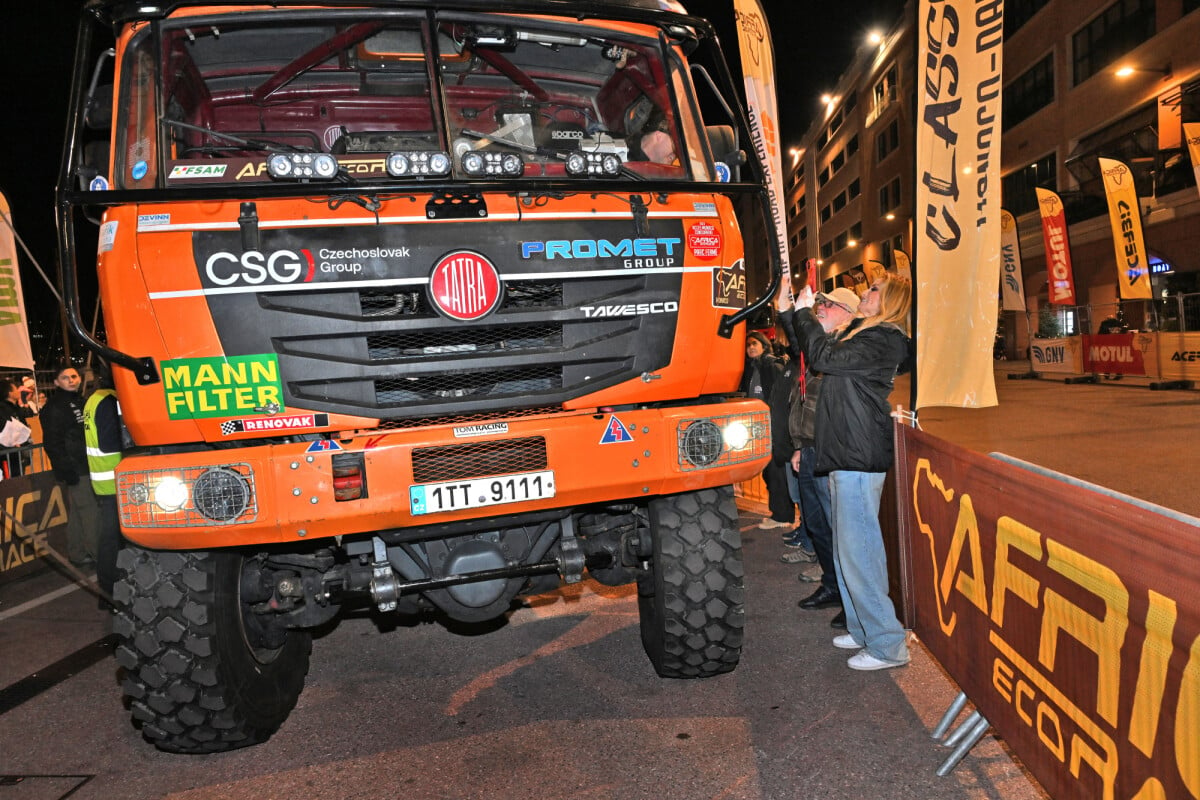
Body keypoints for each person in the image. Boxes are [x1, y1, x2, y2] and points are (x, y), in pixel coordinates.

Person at [785, 273, 913, 671]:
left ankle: (888, 644)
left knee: (859, 554)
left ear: (889, 300)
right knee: (846, 552)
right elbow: (812, 349)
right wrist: (796, 315)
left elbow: (824, 358)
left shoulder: (886, 337)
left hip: (857, 456)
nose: (865, 293)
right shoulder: (863, 332)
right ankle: (863, 631)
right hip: (843, 453)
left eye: (873, 290)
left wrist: (805, 314)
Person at [777, 287, 862, 632]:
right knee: (818, 525)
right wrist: (799, 445)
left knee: (839, 529)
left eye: (828, 305)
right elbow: (802, 351)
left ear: (848, 314)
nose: (821, 308)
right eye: (820, 303)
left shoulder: (846, 346)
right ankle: (832, 584)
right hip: (810, 448)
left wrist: (794, 316)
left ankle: (850, 597)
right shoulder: (822, 345)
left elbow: (809, 350)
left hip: (831, 449)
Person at [40, 364, 101, 567]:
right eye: (65, 377)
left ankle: (76, 553)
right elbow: (53, 442)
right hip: (76, 467)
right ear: (56, 382)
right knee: (90, 511)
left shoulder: (80, 401)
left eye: (74, 376)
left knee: (78, 511)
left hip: (87, 464)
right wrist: (67, 469)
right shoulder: (54, 408)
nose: (71, 380)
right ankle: (99, 555)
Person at [742, 331, 796, 530]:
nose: (751, 348)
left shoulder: (771, 366)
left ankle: (782, 516)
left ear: (764, 345)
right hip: (760, 429)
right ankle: (780, 513)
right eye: (748, 345)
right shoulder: (752, 368)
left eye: (754, 343)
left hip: (773, 429)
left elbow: (780, 400)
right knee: (769, 473)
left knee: (776, 473)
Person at [84, 364, 127, 600]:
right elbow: (113, 441)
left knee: (109, 537)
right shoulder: (110, 401)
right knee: (113, 540)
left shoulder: (94, 399)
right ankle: (109, 591)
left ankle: (107, 589)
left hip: (103, 479)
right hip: (115, 479)